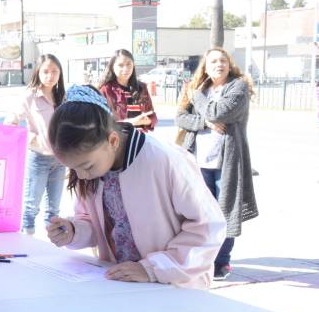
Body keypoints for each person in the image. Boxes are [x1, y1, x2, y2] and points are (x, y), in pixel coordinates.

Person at [45, 85, 225, 289]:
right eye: (74, 168)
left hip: (174, 287)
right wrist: (73, 231)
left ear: (113, 141)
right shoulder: (94, 168)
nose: (81, 175)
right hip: (124, 286)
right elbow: (95, 223)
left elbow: (209, 226)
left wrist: (153, 268)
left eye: (86, 166)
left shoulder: (164, 160)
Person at [173, 48, 258, 280]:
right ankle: (203, 258)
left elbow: (218, 112)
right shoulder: (201, 89)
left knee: (224, 214)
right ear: (206, 66)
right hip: (198, 162)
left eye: (223, 61)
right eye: (213, 61)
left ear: (229, 65)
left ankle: (222, 262)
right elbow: (181, 117)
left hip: (226, 164)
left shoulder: (238, 87)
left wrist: (196, 96)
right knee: (201, 214)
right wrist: (205, 123)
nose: (218, 65)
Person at [4, 54, 66, 235]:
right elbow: (10, 123)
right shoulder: (29, 96)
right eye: (45, 71)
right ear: (38, 72)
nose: (50, 75)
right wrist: (32, 138)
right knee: (31, 206)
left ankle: (53, 242)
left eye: (55, 71)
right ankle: (28, 239)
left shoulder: (63, 96)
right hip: (38, 159)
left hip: (60, 159)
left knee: (54, 208)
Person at [98, 49, 156, 132]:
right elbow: (101, 122)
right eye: (120, 65)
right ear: (112, 67)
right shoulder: (105, 90)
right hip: (119, 138)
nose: (126, 69)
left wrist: (147, 121)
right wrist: (131, 122)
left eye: (129, 64)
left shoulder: (142, 87)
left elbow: (153, 116)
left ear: (133, 65)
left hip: (142, 136)